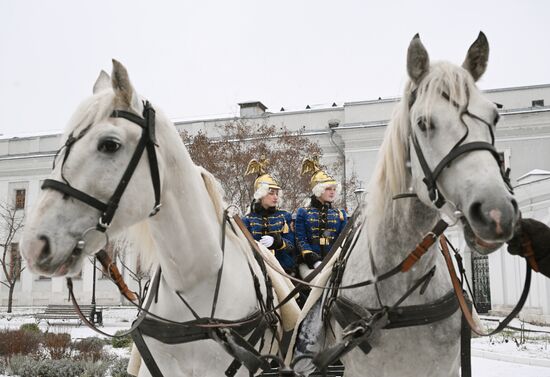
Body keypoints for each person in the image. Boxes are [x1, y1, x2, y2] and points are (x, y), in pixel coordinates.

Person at [295, 156, 347, 278]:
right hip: (309, 263)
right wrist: (313, 260)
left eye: (334, 189)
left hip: (334, 263)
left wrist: (334, 260)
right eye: (328, 188)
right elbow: (300, 239)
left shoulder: (340, 213)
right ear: (318, 189)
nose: (332, 192)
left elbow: (343, 239)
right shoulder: (303, 212)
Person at [242, 157, 296, 273]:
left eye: (277, 193)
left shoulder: (284, 216)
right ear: (261, 194)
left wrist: (277, 242)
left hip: (282, 269)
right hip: (256, 270)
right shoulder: (248, 219)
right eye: (271, 193)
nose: (275, 197)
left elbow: (291, 245)